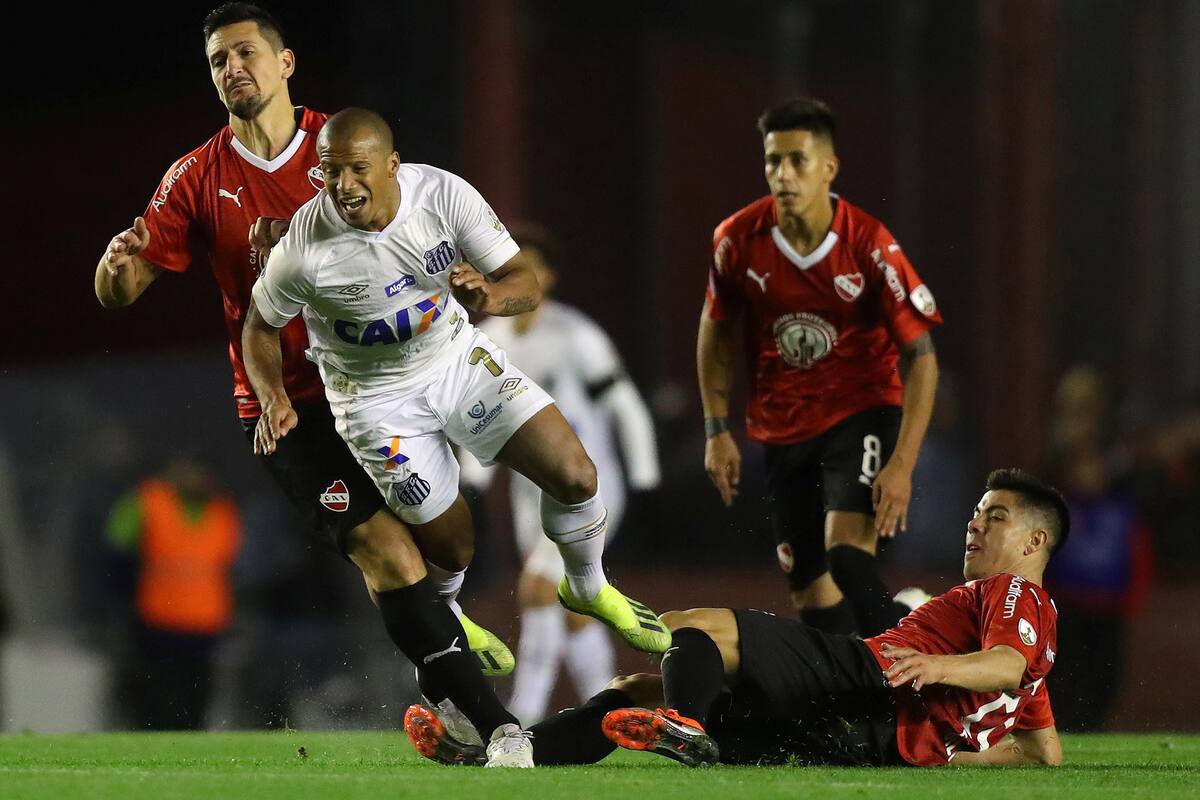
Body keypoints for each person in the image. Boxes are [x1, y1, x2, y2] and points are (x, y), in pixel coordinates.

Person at [92, 1, 517, 753]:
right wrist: (115, 270)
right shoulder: (195, 177)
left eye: (246, 52)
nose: (233, 69)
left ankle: (439, 657)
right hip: (286, 407)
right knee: (385, 552)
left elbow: (410, 221)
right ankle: (500, 728)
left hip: (384, 388)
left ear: (285, 63)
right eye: (219, 59)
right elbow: (121, 290)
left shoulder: (343, 148)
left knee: (449, 548)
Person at [242, 107, 671, 766]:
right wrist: (272, 396)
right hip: (377, 406)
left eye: (357, 168)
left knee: (577, 475)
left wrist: (491, 301)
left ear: (392, 164)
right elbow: (258, 326)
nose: (344, 185)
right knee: (453, 543)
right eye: (330, 173)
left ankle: (586, 583)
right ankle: (449, 626)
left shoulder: (444, 195)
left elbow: (522, 283)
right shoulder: (307, 244)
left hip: (457, 365)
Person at [406, 468, 1066, 769]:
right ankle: (506, 756)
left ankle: (687, 724)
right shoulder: (1033, 641)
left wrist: (933, 665)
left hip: (872, 678)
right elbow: (1043, 753)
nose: (976, 524)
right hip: (864, 742)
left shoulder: (1014, 594)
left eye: (996, 516)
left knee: (694, 627)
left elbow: (1003, 665)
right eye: (977, 514)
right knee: (636, 693)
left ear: (1036, 543)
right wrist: (944, 755)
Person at [697, 97, 942, 636]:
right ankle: (857, 695)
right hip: (782, 426)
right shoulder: (736, 241)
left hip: (862, 409)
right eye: (772, 161)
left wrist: (902, 463)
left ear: (828, 168)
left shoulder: (869, 245)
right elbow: (715, 334)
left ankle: (919, 676)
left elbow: (921, 357)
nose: (781, 175)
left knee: (849, 558)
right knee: (809, 591)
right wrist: (717, 428)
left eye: (797, 161)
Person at [459, 223, 662, 724]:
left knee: (537, 588)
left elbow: (625, 404)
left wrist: (646, 479)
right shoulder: (484, 339)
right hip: (530, 494)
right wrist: (474, 482)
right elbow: (468, 415)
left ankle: (522, 715)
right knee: (574, 608)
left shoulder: (575, 335)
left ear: (547, 278)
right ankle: (610, 710)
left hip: (587, 485)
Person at [106, 457, 241, 729]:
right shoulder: (147, 502)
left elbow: (235, 569)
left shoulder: (222, 513)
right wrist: (122, 606)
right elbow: (116, 553)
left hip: (205, 624)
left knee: (196, 699)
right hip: (157, 622)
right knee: (155, 695)